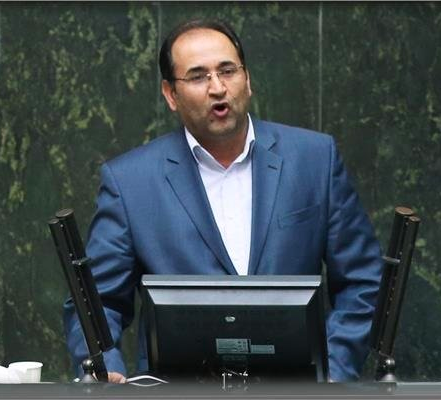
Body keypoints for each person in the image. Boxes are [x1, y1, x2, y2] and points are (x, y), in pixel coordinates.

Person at [64, 19, 383, 383]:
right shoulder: (131, 182)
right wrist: (105, 371)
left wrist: (332, 376)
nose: (218, 88)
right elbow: (96, 302)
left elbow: (363, 282)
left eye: (228, 71)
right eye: (198, 76)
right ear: (170, 94)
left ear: (248, 79)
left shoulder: (314, 159)